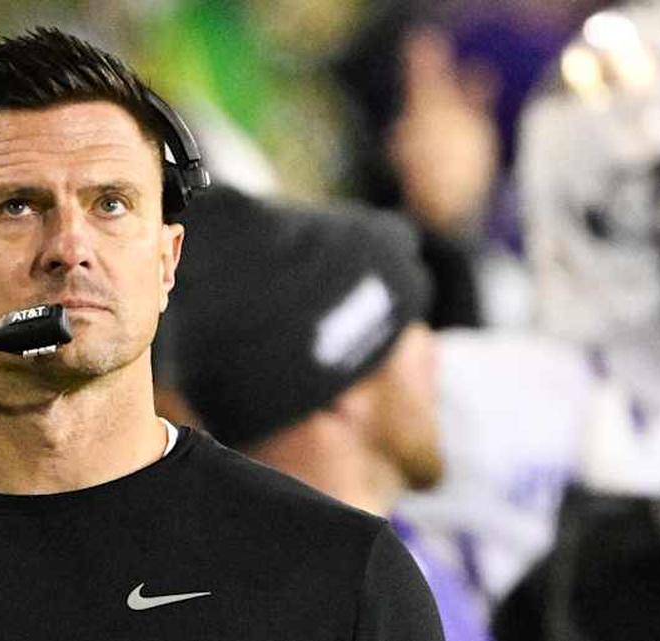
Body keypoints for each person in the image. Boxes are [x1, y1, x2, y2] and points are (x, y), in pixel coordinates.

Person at [0, 28, 444, 641]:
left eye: (111, 203)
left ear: (167, 260)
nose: (70, 245)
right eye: (17, 206)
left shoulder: (345, 577)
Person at [167, 187, 484, 641]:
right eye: (403, 331)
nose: (432, 351)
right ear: (343, 387)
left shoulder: (404, 560)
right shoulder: (332, 613)